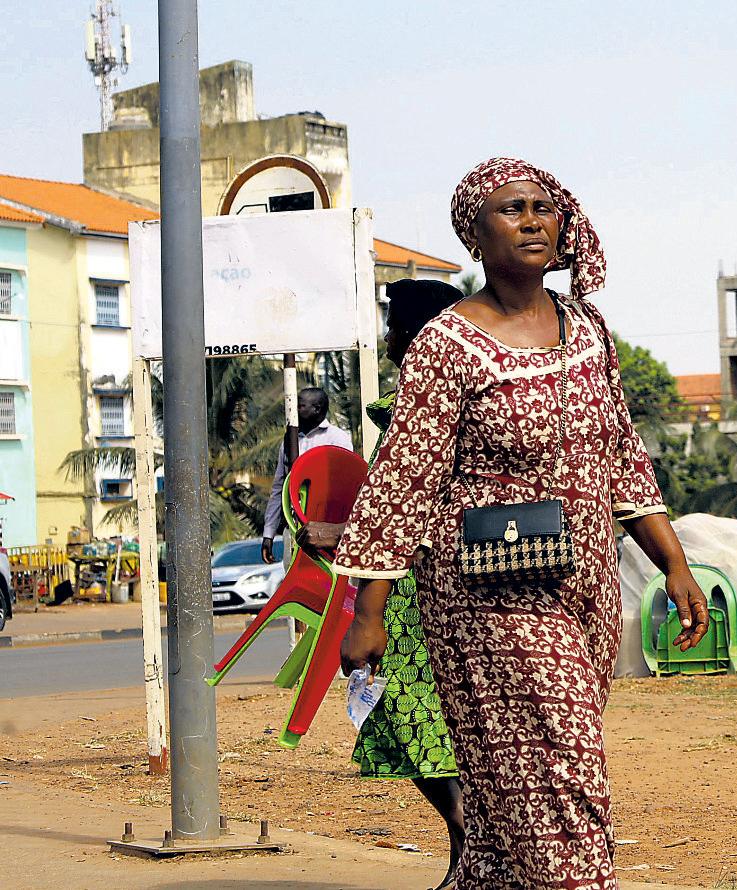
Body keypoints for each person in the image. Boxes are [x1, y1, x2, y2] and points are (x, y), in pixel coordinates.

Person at [334, 157, 709, 888]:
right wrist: (367, 613)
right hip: (490, 592)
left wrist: (674, 564)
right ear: (475, 236)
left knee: (518, 795)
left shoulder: (589, 329)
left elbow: (623, 457)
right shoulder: (447, 345)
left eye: (543, 206)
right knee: (564, 771)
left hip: (588, 587)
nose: (533, 219)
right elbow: (405, 479)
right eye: (511, 209)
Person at [296, 279, 466, 888]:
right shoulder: (411, 401)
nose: (388, 334)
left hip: (428, 595)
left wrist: (369, 610)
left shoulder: (439, 404)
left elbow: (408, 509)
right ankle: (469, 852)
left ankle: (471, 849)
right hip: (414, 590)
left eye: (396, 321)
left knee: (417, 718)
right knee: (416, 723)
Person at [261, 386, 353, 563]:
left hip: (327, 530)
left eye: (301, 406)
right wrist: (268, 534)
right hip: (295, 528)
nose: (294, 410)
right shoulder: (289, 440)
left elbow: (348, 483)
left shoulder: (337, 438)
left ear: (317, 409)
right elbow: (280, 487)